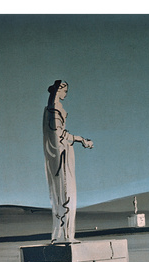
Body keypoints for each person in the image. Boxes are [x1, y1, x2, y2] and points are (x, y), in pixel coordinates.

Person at [43, 80, 93, 243]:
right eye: (65, 91)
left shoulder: (52, 109)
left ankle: (65, 235)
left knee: (64, 194)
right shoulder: (54, 110)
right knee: (66, 194)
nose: (66, 94)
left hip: (61, 155)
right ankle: (65, 235)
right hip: (61, 156)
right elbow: (59, 134)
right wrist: (80, 139)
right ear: (59, 90)